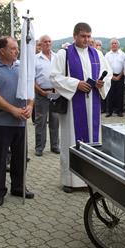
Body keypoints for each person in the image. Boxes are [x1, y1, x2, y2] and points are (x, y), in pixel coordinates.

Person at [50, 22, 112, 193]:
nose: (86, 39)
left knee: (93, 141)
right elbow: (54, 77)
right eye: (83, 36)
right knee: (71, 141)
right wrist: (76, 84)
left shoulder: (97, 53)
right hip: (72, 107)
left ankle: (91, 180)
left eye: (88, 36)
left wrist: (100, 83)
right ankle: (70, 181)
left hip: (93, 103)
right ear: (75, 36)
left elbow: (109, 74)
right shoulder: (64, 54)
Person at [0, 36, 35, 206]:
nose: (17, 51)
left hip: (21, 121)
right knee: (0, 158)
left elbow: (30, 89)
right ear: (2, 50)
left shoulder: (22, 67)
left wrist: (30, 106)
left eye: (17, 48)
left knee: (20, 157)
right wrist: (13, 110)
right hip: (0, 122)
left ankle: (18, 187)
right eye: (12, 48)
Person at [34, 35, 60, 156]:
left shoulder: (57, 57)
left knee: (55, 121)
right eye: (45, 42)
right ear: (40, 44)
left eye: (50, 41)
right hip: (41, 93)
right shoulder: (35, 59)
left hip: (55, 93)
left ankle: (55, 146)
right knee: (41, 121)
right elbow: (32, 79)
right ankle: (39, 147)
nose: (48, 43)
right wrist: (41, 92)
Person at [104, 38, 125, 117]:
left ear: (118, 45)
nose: (114, 45)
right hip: (110, 76)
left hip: (120, 76)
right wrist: (112, 76)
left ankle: (119, 111)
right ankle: (109, 111)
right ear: (110, 45)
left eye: (115, 43)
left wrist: (120, 76)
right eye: (112, 43)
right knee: (110, 94)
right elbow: (106, 67)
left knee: (120, 94)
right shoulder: (107, 55)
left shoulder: (123, 54)